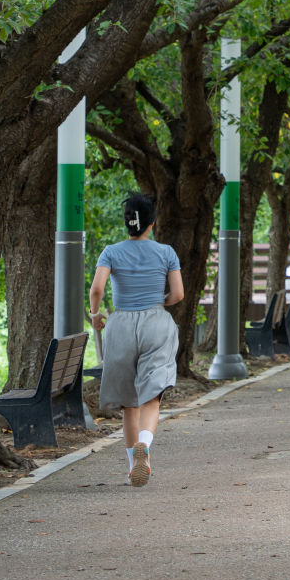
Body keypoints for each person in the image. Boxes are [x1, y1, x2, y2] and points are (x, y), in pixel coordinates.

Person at [88, 193, 184, 488]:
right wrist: (159, 302)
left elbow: (96, 289)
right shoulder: (166, 252)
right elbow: (179, 295)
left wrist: (95, 315)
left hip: (121, 324)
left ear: (126, 223)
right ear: (152, 224)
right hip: (155, 322)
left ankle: (133, 466)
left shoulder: (111, 252)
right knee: (152, 396)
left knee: (130, 403)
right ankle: (146, 443)